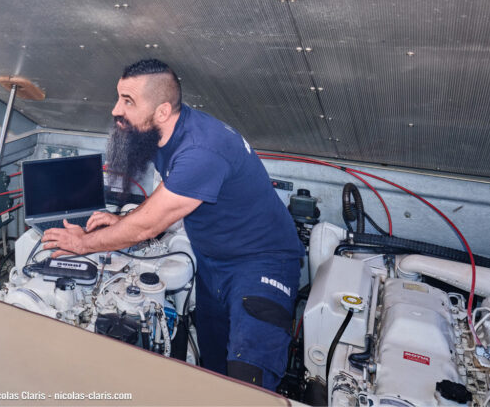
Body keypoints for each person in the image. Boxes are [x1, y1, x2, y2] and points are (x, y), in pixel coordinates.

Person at [42, 59, 303, 390]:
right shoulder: (170, 133)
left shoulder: (201, 150)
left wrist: (82, 244)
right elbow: (168, 195)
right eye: (119, 97)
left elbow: (145, 229)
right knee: (213, 364)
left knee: (247, 379)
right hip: (214, 263)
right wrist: (122, 219)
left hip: (262, 262)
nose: (115, 110)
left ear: (162, 111)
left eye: (127, 101)